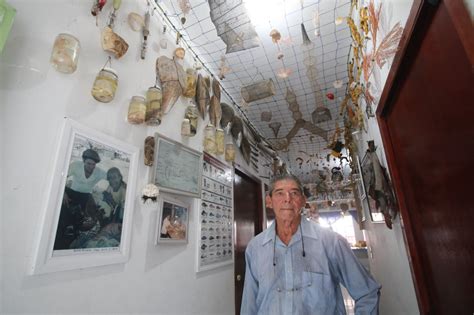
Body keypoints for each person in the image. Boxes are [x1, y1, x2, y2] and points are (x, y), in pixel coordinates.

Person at [241, 174, 381, 314]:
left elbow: (367, 292)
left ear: (303, 201)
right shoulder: (255, 248)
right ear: (269, 201)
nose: (287, 199)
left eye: (294, 193)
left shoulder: (331, 242)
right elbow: (249, 304)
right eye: (280, 193)